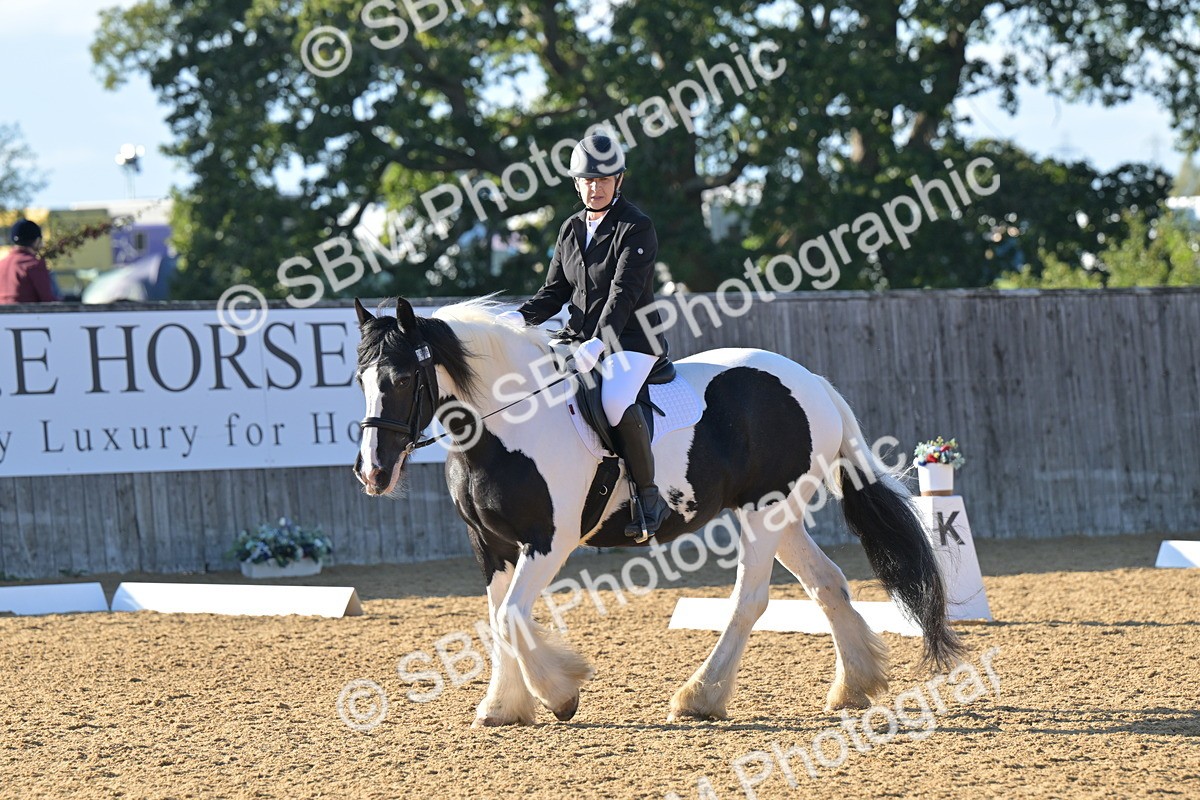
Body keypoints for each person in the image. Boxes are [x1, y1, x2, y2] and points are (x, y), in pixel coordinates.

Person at [498, 134, 672, 539]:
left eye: (604, 179)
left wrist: (600, 341)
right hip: (577, 338)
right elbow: (555, 291)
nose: (596, 187)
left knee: (612, 400)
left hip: (631, 340)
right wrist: (517, 319)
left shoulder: (636, 226)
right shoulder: (571, 228)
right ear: (577, 184)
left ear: (619, 180)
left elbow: (623, 294)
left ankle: (649, 498)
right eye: (588, 181)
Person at [0, 219, 60, 304]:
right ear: (37, 240)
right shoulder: (34, 264)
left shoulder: (1, 264)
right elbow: (48, 300)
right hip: (27, 315)